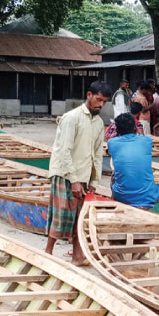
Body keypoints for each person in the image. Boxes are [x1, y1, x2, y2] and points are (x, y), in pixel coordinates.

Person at [46, 81, 108, 265]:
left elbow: (97, 153)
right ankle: (47, 252)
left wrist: (94, 182)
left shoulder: (98, 122)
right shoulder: (71, 118)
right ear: (89, 95)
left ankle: (77, 256)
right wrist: (73, 180)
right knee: (61, 215)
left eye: (104, 101)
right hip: (65, 173)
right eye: (98, 99)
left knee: (80, 219)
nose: (101, 104)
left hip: (84, 175)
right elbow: (64, 150)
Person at [108, 113, 159, 209]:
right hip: (148, 196)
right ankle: (146, 205)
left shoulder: (111, 143)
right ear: (135, 127)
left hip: (121, 196)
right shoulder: (147, 141)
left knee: (114, 176)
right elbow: (140, 138)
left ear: (117, 130)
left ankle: (116, 201)